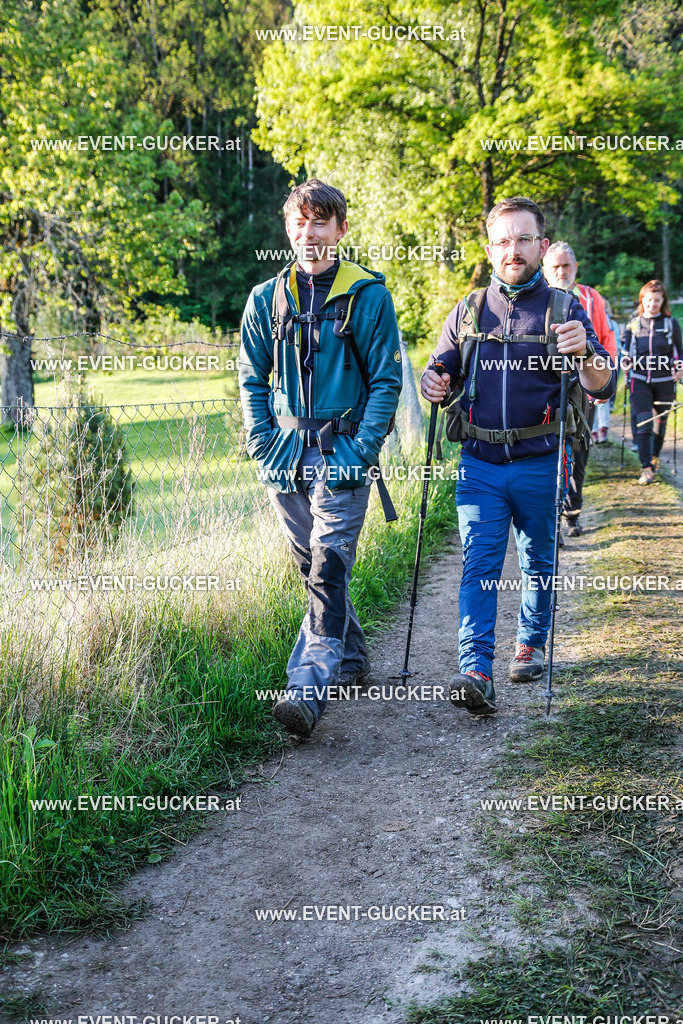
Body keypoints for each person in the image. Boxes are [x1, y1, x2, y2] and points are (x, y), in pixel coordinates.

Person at [421, 197, 614, 716]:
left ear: (541, 246)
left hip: (541, 461)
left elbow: (602, 385)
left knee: (537, 561)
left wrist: (585, 351)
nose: (514, 250)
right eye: (503, 241)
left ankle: (529, 643)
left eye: (524, 239)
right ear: (489, 250)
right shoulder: (468, 310)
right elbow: (439, 373)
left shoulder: (563, 309)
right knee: (478, 565)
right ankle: (476, 671)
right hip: (480, 464)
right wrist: (432, 382)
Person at [239, 179, 402, 737]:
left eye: (320, 222)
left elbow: (386, 382)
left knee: (328, 565)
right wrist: (261, 443)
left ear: (341, 229)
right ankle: (351, 659)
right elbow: (250, 379)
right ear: (288, 229)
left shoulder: (368, 297)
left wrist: (361, 450)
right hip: (284, 456)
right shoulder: (266, 299)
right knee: (310, 566)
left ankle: (306, 690)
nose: (309, 233)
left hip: (343, 457)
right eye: (299, 222)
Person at [542, 242, 617, 538]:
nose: (561, 271)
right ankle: (549, 520)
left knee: (578, 455)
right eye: (555, 266)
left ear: (575, 267)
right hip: (548, 392)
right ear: (545, 269)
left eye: (566, 265)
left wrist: (603, 382)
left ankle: (571, 515)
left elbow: (607, 340)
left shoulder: (591, 297)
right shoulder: (537, 299)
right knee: (548, 456)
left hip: (584, 391)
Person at [623, 280, 683, 484]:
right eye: (649, 300)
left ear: (663, 301)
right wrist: (625, 363)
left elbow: (679, 352)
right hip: (640, 379)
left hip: (665, 380)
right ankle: (646, 467)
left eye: (657, 300)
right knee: (644, 420)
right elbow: (626, 351)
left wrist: (679, 368)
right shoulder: (634, 324)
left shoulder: (671, 324)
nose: (652, 304)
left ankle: (654, 456)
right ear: (642, 300)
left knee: (661, 424)